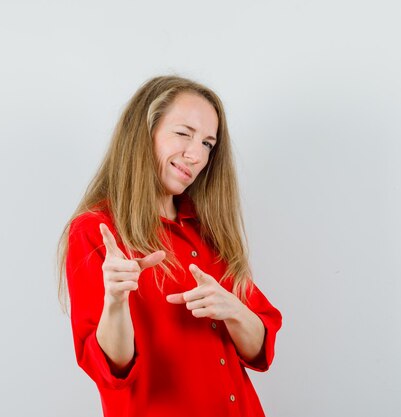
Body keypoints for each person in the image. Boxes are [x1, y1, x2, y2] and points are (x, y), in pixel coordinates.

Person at [56, 75, 282, 417]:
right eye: (183, 133)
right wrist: (115, 301)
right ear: (143, 133)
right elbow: (112, 371)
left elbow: (259, 349)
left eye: (208, 143)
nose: (196, 154)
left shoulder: (208, 230)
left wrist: (234, 309)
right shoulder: (95, 230)